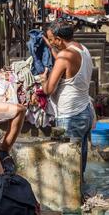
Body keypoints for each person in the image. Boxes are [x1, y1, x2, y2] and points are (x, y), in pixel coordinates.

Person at [41, 21, 94, 177]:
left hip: (70, 117)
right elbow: (68, 65)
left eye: (51, 39)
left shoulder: (64, 56)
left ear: (59, 39)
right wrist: (52, 49)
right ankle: (81, 193)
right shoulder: (82, 49)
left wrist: (44, 80)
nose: (51, 42)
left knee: (68, 167)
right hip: (85, 112)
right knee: (80, 162)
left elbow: (49, 90)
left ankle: (71, 200)